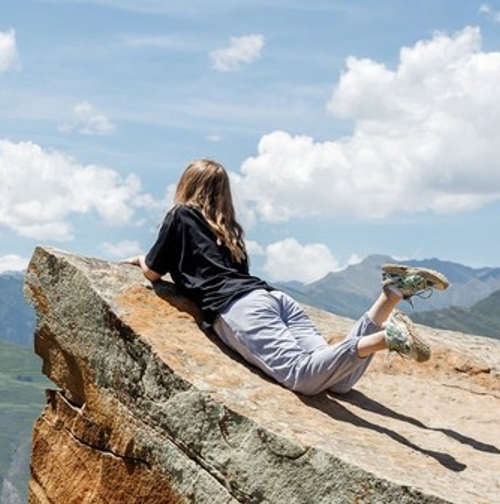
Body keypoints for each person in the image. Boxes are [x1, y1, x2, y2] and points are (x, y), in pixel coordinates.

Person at [125, 159, 447, 396]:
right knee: (340, 382)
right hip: (274, 300)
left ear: (187, 184)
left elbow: (153, 270)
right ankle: (391, 295)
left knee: (302, 377)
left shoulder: (180, 215)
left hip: (239, 307)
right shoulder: (231, 230)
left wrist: (140, 259)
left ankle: (388, 337)